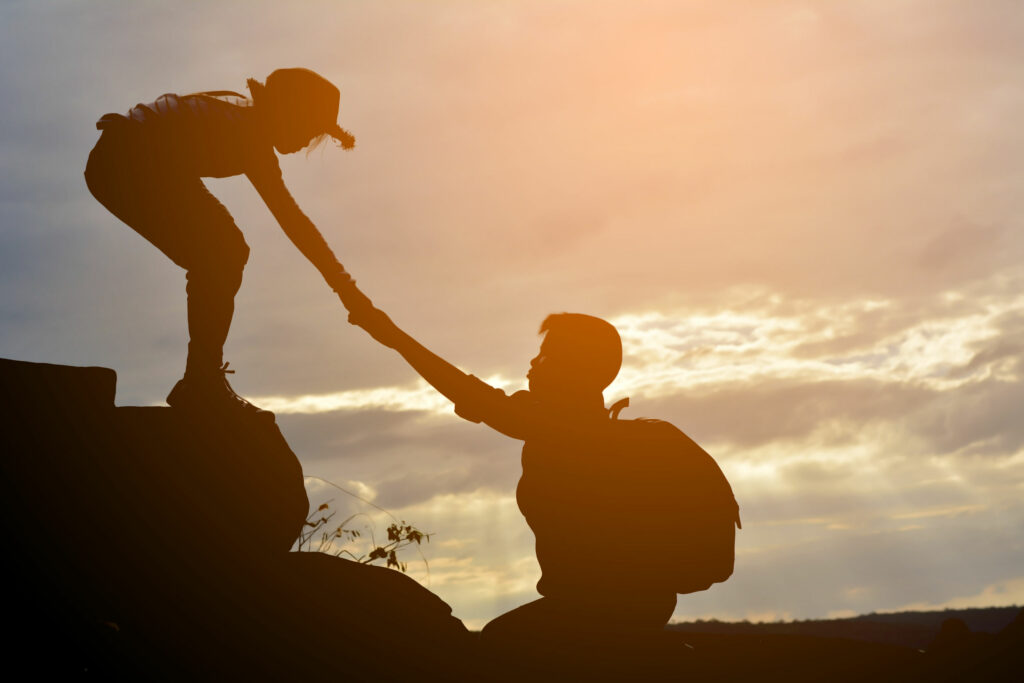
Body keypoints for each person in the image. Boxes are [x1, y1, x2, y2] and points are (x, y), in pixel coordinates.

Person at [344, 299, 679, 642]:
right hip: (634, 601)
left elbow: (471, 394)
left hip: (604, 604)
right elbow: (482, 398)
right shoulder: (557, 417)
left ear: (573, 367)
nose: (533, 362)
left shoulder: (563, 426)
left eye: (545, 354)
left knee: (497, 646)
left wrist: (395, 337)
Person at [85, 67, 368, 417]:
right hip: (125, 159)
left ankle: (201, 379)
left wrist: (345, 287)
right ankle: (202, 382)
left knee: (224, 251)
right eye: (310, 128)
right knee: (224, 251)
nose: (308, 140)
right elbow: (293, 221)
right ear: (288, 112)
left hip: (136, 160)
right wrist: (346, 288)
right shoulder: (245, 130)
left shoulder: (246, 121)